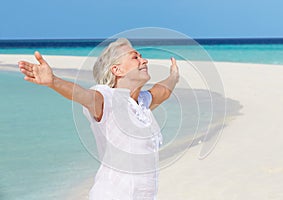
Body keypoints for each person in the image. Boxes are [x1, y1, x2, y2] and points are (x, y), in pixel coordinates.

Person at [18, 38, 179, 200]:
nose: (144, 61)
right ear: (117, 70)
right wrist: (54, 82)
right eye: (135, 57)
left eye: (141, 56)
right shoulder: (107, 98)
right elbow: (83, 95)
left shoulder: (141, 102)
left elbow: (163, 92)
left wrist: (174, 76)